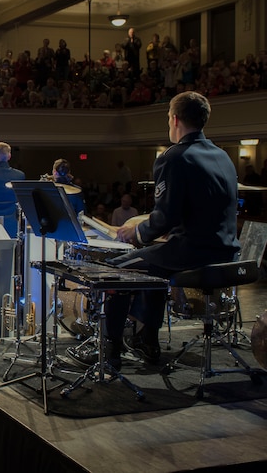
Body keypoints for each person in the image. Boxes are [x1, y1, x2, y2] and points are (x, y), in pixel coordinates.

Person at [99, 92, 239, 371]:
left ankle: (109, 349)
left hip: (191, 252)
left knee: (114, 270)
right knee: (152, 265)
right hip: (226, 251)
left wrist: (135, 234)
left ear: (175, 120)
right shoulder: (222, 156)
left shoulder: (173, 157)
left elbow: (165, 217)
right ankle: (146, 340)